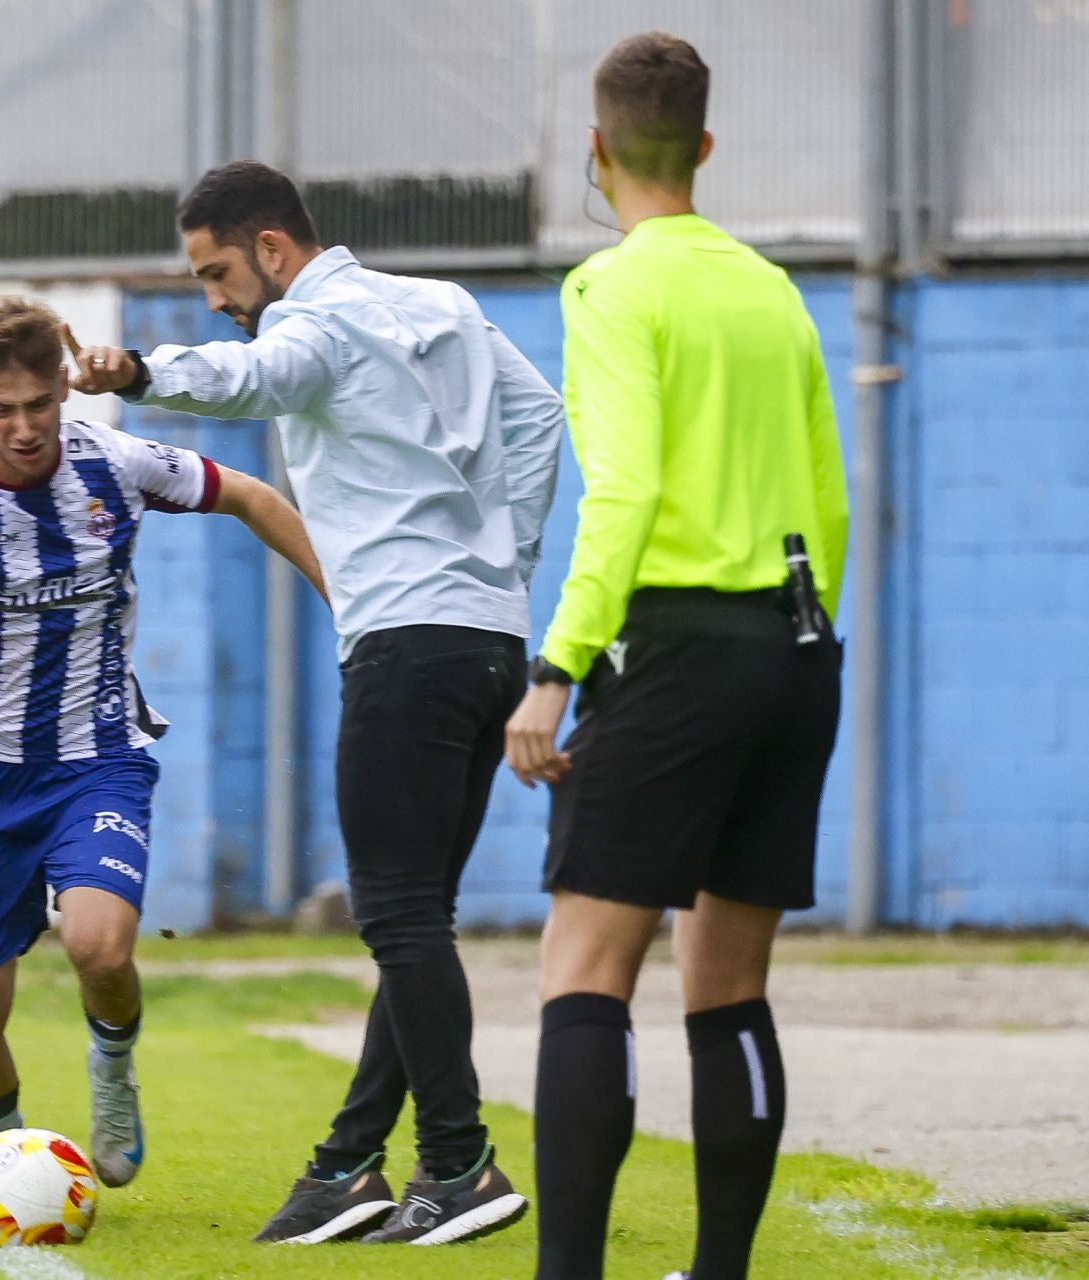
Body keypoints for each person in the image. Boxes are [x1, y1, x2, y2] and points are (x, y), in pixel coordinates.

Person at [66, 160, 565, 1246]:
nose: (215, 296)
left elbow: (256, 376)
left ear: (273, 249)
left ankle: (460, 1162)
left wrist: (141, 368)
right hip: (487, 638)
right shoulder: (445, 304)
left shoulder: (316, 324)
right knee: (414, 915)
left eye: (216, 271)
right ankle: (347, 1164)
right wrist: (502, 561)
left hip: (406, 646)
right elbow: (540, 417)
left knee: (392, 911)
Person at [0, 296, 326, 1190]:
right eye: (2, 408)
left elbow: (249, 493)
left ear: (63, 389)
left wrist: (345, 608)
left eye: (40, 404)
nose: (23, 428)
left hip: (99, 761)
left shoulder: (117, 462)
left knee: (99, 947)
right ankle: (3, 1173)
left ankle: (114, 1072)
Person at [501, 33, 848, 1280]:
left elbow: (628, 487)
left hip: (681, 644)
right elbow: (831, 499)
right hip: (799, 648)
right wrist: (788, 642)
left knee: (585, 965)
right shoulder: (773, 288)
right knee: (729, 982)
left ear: (597, 153)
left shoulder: (611, 288)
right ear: (704, 147)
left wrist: (560, 664)